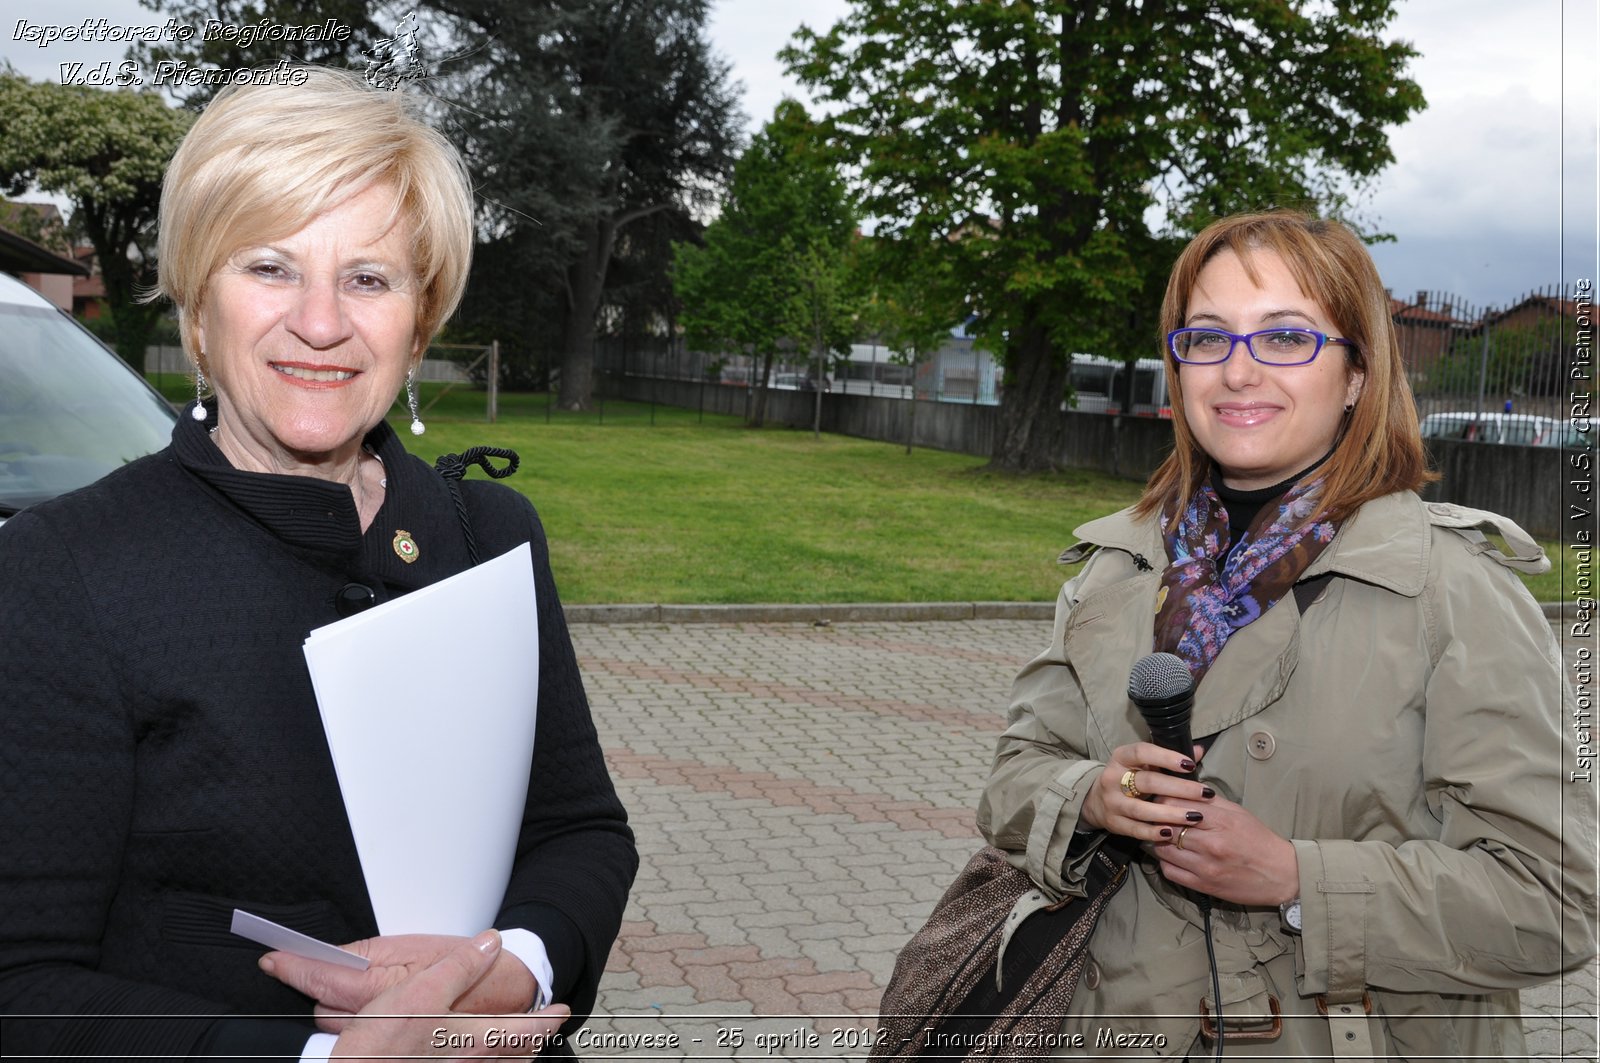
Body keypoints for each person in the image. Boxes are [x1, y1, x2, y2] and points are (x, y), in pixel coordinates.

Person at [0, 68, 637, 1059]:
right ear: (196, 303)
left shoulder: (491, 533)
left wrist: (515, 962)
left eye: (369, 277)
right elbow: (22, 985)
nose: (323, 321)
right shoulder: (62, 570)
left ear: (419, 320)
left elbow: (581, 831)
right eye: (270, 266)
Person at [977, 210, 1596, 1058]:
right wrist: (1092, 795)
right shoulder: (1117, 565)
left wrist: (1299, 879)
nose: (1236, 372)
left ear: (1357, 375)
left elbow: (1555, 899)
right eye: (1207, 337)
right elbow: (1012, 779)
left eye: (1285, 338)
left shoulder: (1454, 590)